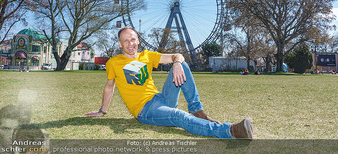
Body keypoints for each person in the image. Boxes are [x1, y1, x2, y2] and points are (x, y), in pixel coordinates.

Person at [86, 27, 253, 139]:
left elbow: (177, 55)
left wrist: (177, 63)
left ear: (138, 40)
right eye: (126, 41)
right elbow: (110, 86)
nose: (131, 44)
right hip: (145, 110)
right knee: (178, 116)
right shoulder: (114, 62)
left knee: (183, 64)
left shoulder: (147, 56)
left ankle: (196, 110)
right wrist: (102, 111)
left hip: (161, 98)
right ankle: (229, 130)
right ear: (120, 44)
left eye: (133, 39)